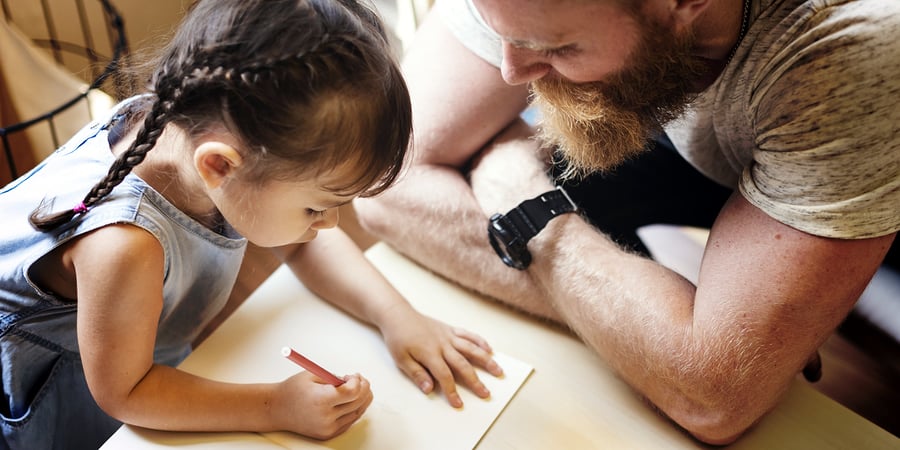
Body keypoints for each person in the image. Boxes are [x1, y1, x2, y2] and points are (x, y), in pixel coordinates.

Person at [354, 0, 900, 444]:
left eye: (553, 47)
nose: (509, 70)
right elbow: (385, 183)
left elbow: (712, 399)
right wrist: (647, 335)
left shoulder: (850, 46)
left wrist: (526, 206)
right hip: (685, 104)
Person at [0, 0, 504, 448]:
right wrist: (274, 407)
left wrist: (397, 315)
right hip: (61, 394)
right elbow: (125, 392)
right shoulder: (125, 246)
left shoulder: (198, 130)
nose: (327, 225)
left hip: (123, 354)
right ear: (219, 166)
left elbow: (302, 243)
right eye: (316, 207)